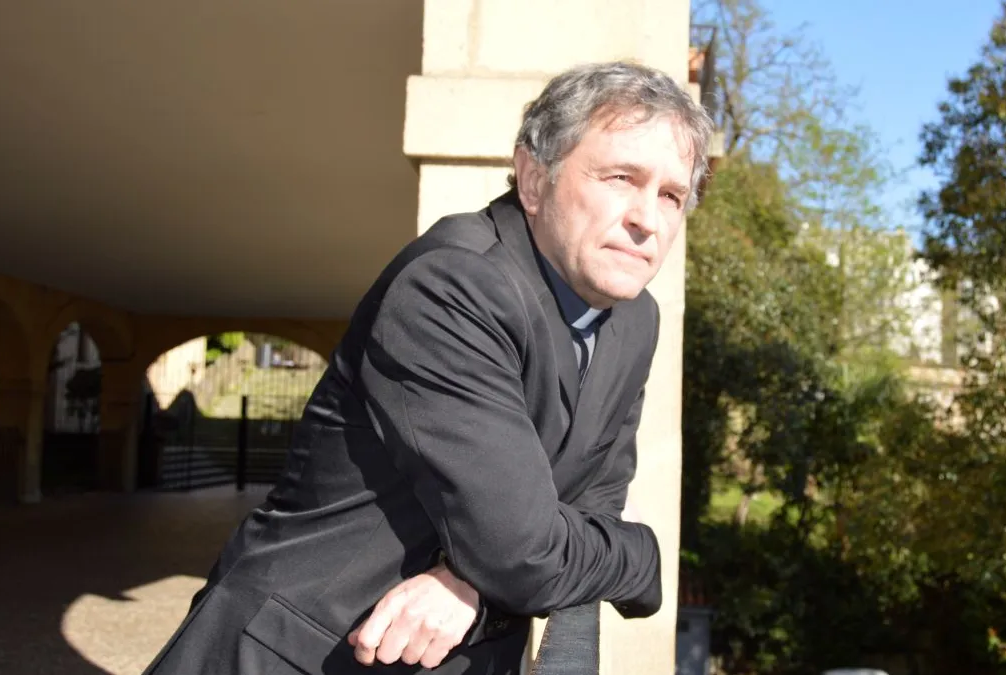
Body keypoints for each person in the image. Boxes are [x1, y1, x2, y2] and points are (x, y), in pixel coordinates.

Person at [142, 60, 713, 675]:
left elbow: (589, 507)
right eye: (621, 177)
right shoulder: (454, 284)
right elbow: (522, 553)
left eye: (671, 195)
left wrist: (478, 578)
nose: (647, 219)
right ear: (532, 179)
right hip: (300, 649)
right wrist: (640, 556)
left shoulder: (634, 320)